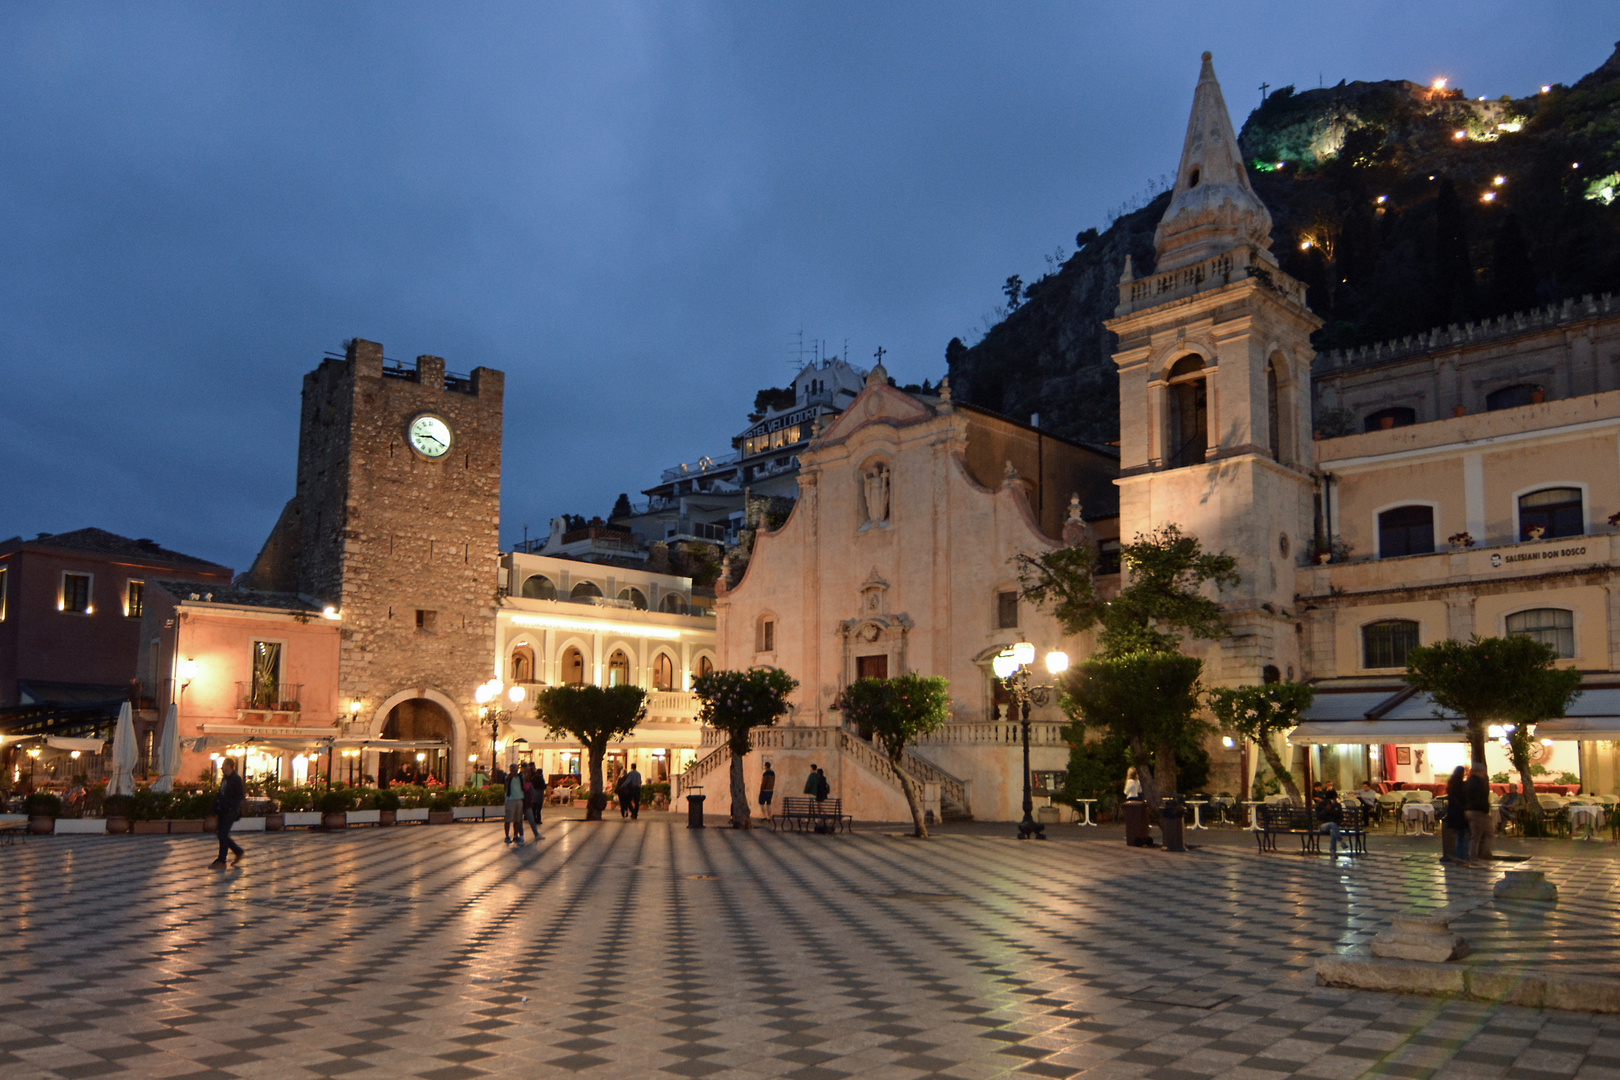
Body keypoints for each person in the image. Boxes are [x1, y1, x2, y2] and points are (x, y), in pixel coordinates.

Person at [211, 758, 245, 868]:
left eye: (224, 765)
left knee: (222, 834)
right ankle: (237, 851)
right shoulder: (225, 779)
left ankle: (222, 860)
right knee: (221, 834)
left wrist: (231, 808)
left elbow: (240, 796)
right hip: (222, 809)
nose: (222, 768)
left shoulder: (236, 779)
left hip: (230, 811)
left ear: (230, 766)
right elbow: (221, 793)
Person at [1465, 761, 1493, 864]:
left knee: (1476, 835)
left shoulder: (1467, 782)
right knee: (1484, 833)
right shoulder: (1480, 782)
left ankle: (1478, 854)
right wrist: (1485, 810)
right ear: (1480, 771)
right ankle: (1478, 855)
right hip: (1478, 811)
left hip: (1469, 810)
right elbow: (1482, 798)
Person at [1443, 765, 1469, 865]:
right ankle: (1461, 856)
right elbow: (1463, 799)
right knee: (1463, 836)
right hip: (1460, 813)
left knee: (1459, 836)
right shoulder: (1461, 785)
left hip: (1453, 813)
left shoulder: (1451, 784)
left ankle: (1459, 855)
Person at [1315, 785, 1344, 857]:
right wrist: (1326, 810)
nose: (1335, 800)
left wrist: (1337, 823)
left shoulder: (1337, 805)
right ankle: (1341, 841)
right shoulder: (1321, 804)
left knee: (1333, 829)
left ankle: (1333, 851)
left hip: (1334, 827)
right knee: (1332, 825)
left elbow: (1340, 817)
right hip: (1323, 826)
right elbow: (1319, 817)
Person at [503, 766, 526, 844]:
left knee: (517, 819)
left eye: (516, 769)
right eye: (513, 769)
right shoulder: (508, 777)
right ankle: (507, 836)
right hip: (510, 800)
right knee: (508, 819)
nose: (515, 771)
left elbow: (526, 778)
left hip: (519, 799)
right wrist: (512, 774)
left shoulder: (520, 777)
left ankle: (515, 835)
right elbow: (507, 779)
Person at [521, 762, 542, 841]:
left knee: (529, 818)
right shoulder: (522, 777)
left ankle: (534, 834)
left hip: (525, 800)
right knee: (526, 819)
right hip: (523, 800)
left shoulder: (526, 777)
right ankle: (523, 835)